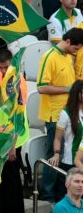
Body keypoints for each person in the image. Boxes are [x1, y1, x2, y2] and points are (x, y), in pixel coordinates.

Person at [40, 28, 83, 201]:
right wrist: (69, 89)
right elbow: (41, 87)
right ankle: (48, 196)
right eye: (75, 48)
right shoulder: (49, 57)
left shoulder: (67, 57)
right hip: (54, 114)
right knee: (55, 157)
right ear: (67, 42)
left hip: (70, 113)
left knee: (68, 157)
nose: (77, 52)